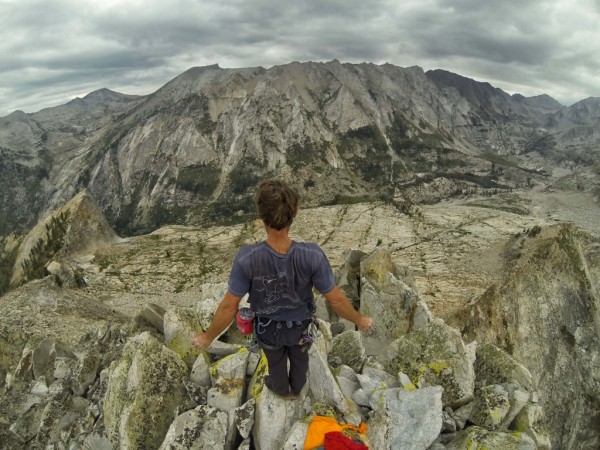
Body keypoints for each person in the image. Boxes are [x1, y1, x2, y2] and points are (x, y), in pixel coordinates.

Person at [192, 180, 373, 398]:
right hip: (301, 327)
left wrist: (208, 337)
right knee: (300, 358)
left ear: (261, 215)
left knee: (275, 361)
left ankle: (280, 388)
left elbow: (229, 306)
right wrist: (359, 320)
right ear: (295, 212)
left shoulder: (247, 258)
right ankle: (297, 388)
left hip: (268, 329)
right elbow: (336, 300)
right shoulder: (312, 255)